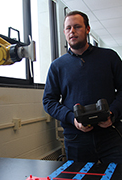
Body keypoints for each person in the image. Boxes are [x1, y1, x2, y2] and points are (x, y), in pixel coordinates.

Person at [43, 11, 122, 164]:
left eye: (77, 26)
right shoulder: (57, 66)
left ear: (87, 29)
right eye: (68, 28)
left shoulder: (110, 57)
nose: (72, 31)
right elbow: (48, 101)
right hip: (76, 138)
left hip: (110, 134)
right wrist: (72, 118)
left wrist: (112, 113)